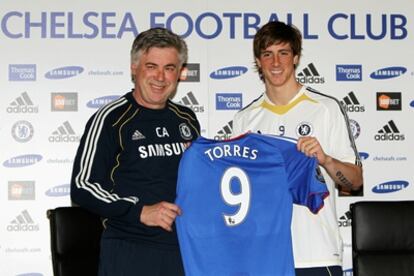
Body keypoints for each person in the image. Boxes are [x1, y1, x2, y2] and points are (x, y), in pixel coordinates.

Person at [232, 21, 363, 276]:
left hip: (316, 253)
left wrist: (325, 159)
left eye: (283, 53)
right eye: (267, 54)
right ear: (258, 61)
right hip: (264, 253)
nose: (276, 62)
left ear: (296, 57)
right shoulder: (245, 119)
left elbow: (355, 181)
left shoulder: (325, 108)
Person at [70, 27, 200, 276]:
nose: (160, 77)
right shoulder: (111, 118)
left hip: (184, 250)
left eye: (169, 68)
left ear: (180, 72)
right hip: (130, 249)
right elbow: (83, 185)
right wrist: (139, 211)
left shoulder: (186, 119)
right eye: (152, 66)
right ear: (134, 67)